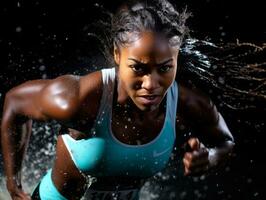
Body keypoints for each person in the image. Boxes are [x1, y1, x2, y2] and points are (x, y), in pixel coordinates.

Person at [1, 0, 235, 199]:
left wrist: (209, 158)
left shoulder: (186, 102)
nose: (151, 85)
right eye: (138, 68)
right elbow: (15, 103)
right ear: (117, 54)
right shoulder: (80, 98)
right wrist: (14, 184)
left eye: (164, 68)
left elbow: (225, 142)